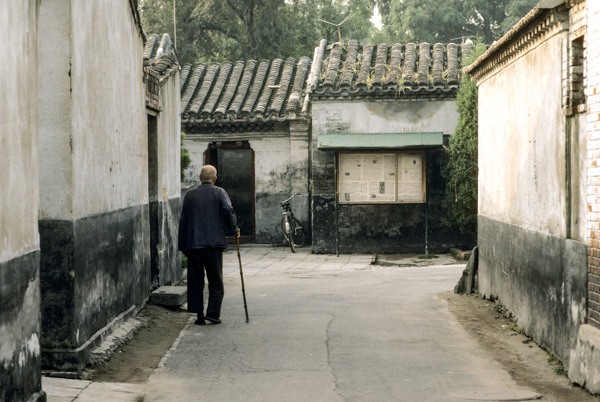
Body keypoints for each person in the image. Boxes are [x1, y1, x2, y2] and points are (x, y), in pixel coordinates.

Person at [178, 165, 240, 325]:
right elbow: (227, 209)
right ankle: (213, 313)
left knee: (196, 281)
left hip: (193, 244)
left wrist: (182, 245)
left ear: (200, 177)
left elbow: (183, 219)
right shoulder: (219, 192)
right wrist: (234, 229)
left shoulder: (190, 195)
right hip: (213, 244)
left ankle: (199, 314)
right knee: (215, 280)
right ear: (215, 178)